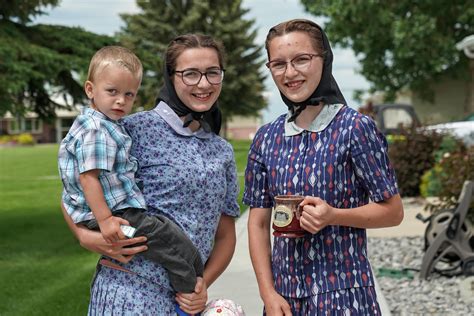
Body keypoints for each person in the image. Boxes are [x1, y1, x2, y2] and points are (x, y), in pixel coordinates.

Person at [61, 34, 240, 315]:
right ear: (170, 77)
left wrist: (201, 285)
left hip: (183, 300)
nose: (203, 84)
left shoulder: (223, 151)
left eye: (212, 73)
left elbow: (226, 236)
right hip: (126, 291)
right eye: (190, 74)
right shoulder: (129, 128)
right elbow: (73, 186)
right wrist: (84, 236)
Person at [244, 19, 404, 315]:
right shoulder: (266, 138)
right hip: (284, 299)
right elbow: (257, 223)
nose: (290, 73)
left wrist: (333, 216)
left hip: (344, 295)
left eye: (302, 59)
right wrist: (268, 293)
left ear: (324, 59)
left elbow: (393, 212)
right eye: (278, 64)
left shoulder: (355, 128)